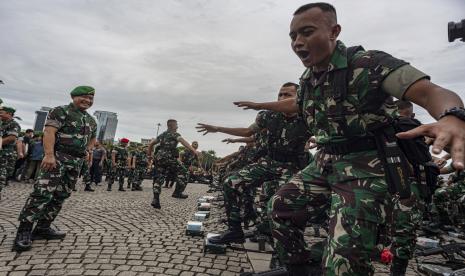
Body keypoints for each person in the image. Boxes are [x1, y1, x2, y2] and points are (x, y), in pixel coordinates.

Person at [234, 3, 465, 275]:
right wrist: (260, 106)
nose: (298, 42)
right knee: (280, 208)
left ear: (334, 32)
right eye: (293, 36)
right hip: (325, 162)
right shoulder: (309, 79)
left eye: (307, 32)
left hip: (367, 167)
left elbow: (429, 92)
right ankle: (300, 269)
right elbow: (296, 106)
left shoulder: (367, 64)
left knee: (343, 260)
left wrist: (453, 116)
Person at [196, 82, 311, 245]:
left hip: (292, 166)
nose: (282, 97)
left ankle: (282, 251)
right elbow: (248, 131)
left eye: (288, 95)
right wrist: (218, 128)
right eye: (280, 94)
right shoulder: (268, 116)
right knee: (231, 183)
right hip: (269, 161)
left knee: (279, 203)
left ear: (298, 98)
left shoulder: (308, 115)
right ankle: (234, 231)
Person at [13, 85, 97, 252]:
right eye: (84, 97)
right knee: (41, 193)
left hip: (75, 162)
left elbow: (93, 138)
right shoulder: (60, 111)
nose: (87, 101)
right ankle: (24, 231)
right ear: (74, 97)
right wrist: (49, 154)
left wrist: (88, 150)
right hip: (57, 158)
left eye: (90, 98)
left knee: (60, 195)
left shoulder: (91, 120)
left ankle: (43, 227)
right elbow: (49, 132)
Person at [147, 119, 199, 208]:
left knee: (158, 178)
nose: (177, 127)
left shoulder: (162, 135)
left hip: (159, 159)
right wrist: (193, 150)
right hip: (169, 158)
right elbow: (183, 141)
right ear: (170, 126)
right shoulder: (175, 134)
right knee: (184, 172)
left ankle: (156, 199)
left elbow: (151, 144)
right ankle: (177, 192)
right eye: (176, 125)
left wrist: (149, 156)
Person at [0, 106, 21, 197]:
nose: (0, 114)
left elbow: (12, 138)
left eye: (1, 112)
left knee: (1, 174)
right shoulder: (1, 123)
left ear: (9, 114)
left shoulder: (13, 124)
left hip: (5, 154)